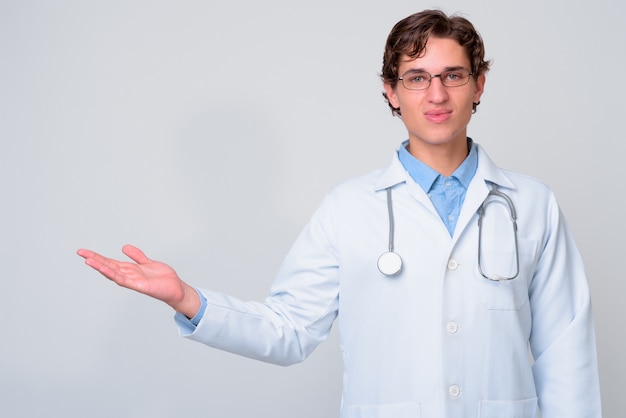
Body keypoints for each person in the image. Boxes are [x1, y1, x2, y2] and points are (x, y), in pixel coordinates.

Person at [77, 9, 601, 418]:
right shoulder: (349, 209)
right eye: (416, 78)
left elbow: (566, 353)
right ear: (391, 92)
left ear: (479, 85)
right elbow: (289, 331)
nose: (436, 94)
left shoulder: (531, 205)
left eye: (453, 75)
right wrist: (189, 300)